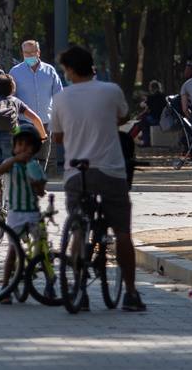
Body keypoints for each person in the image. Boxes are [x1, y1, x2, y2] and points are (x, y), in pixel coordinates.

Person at [50, 44, 145, 312]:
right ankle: (131, 293)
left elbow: (57, 138)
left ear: (69, 70)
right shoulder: (111, 90)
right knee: (123, 233)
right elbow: (123, 116)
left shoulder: (61, 98)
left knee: (78, 228)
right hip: (111, 171)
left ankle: (79, 288)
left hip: (75, 174)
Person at [0, 124, 47, 298]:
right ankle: (5, 285)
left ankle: (49, 279)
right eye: (19, 144)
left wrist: (37, 185)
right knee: (12, 249)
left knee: (42, 246)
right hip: (15, 213)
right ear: (14, 147)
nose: (23, 148)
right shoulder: (11, 165)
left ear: (34, 149)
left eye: (28, 145)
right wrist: (15, 159)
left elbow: (40, 190)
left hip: (32, 212)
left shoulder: (34, 166)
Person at [0, 72, 46, 179]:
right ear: (13, 89)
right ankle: (10, 184)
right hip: (11, 139)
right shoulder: (16, 102)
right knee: (12, 162)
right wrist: (43, 135)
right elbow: (35, 118)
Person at [10, 40, 65, 167]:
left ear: (38, 52)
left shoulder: (49, 70)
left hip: (45, 121)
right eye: (26, 53)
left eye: (32, 52)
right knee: (24, 155)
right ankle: (27, 184)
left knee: (42, 156)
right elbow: (11, 97)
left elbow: (58, 94)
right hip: (24, 121)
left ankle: (38, 184)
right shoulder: (15, 72)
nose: (29, 55)